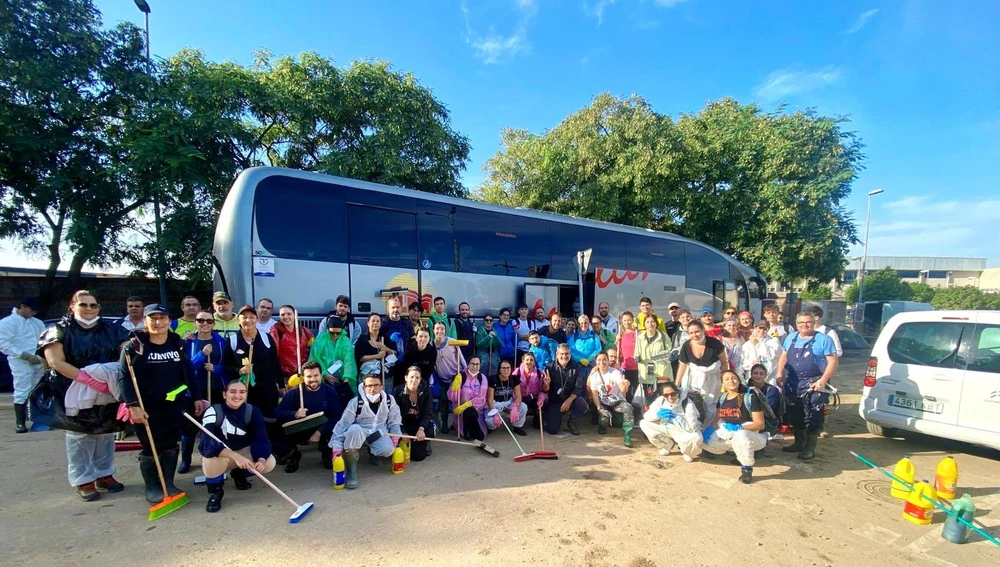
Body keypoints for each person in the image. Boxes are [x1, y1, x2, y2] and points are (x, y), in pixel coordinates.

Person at [38, 290, 130, 501]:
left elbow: (126, 349)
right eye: (84, 305)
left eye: (93, 305)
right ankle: (83, 479)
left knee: (106, 432)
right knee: (79, 435)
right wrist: (86, 379)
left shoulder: (111, 329)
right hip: (71, 388)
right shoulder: (58, 330)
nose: (89, 309)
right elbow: (55, 361)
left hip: (108, 388)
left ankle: (104, 474)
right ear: (72, 306)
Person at [119, 304, 206, 504]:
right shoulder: (134, 346)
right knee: (151, 446)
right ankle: (152, 487)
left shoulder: (177, 343)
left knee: (170, 444)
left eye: (162, 318)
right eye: (153, 318)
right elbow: (124, 378)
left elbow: (188, 372)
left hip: (174, 405)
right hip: (146, 407)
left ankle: (168, 483)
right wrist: (133, 406)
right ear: (145, 321)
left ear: (169, 320)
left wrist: (196, 397)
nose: (158, 323)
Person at [199, 377, 276, 512]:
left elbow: (261, 437)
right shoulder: (212, 411)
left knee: (269, 462)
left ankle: (239, 474)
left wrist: (261, 459)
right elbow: (205, 444)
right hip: (222, 455)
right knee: (210, 461)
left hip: (244, 452)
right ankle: (215, 492)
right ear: (224, 394)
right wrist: (234, 456)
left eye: (242, 392)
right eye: (233, 392)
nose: (237, 396)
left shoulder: (252, 411)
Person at [329, 362, 403, 489]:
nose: (372, 389)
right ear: (363, 387)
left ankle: (374, 453)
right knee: (354, 429)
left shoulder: (390, 400)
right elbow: (342, 425)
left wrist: (395, 439)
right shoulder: (355, 403)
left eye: (376, 385)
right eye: (369, 386)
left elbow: (394, 421)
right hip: (359, 433)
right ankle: (352, 471)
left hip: (378, 433)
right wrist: (336, 446)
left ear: (382, 386)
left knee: (387, 449)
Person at [775, 312, 838, 462]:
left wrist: (822, 380)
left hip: (814, 383)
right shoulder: (791, 337)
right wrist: (779, 374)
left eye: (808, 322)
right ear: (797, 324)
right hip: (793, 382)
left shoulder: (824, 339)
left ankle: (810, 447)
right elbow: (784, 356)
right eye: (801, 322)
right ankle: (798, 442)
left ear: (814, 322)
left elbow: (833, 361)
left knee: (813, 415)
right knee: (795, 414)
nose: (805, 325)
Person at [179, 311, 226, 473]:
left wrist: (216, 368)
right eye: (200, 320)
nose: (204, 324)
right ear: (195, 323)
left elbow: (228, 366)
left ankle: (217, 456)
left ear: (213, 323)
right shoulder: (187, 342)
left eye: (208, 321)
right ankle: (186, 459)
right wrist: (202, 355)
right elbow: (185, 368)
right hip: (195, 392)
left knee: (217, 424)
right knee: (190, 426)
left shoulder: (221, 342)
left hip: (216, 389)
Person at [274, 361, 341, 472]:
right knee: (278, 426)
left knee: (336, 426)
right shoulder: (294, 393)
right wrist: (294, 414)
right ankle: (292, 455)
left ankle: (327, 454)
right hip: (299, 427)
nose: (313, 379)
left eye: (316, 375)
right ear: (303, 378)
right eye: (309, 376)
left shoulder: (329, 391)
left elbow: (336, 415)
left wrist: (319, 432)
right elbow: (277, 412)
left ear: (321, 375)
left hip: (322, 428)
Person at [702, 370, 767, 484]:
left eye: (733, 378)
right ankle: (734, 451)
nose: (731, 381)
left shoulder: (749, 398)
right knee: (702, 441)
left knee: (740, 436)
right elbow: (717, 419)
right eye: (726, 379)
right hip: (728, 433)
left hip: (750, 435)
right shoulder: (722, 399)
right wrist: (710, 431)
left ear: (738, 380)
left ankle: (746, 469)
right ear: (723, 384)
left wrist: (740, 428)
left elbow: (759, 424)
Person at [223, 305, 281, 424]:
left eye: (252, 317)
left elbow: (275, 362)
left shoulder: (266, 338)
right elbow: (226, 366)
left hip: (267, 390)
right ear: (238, 320)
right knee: (247, 421)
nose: (248, 320)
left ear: (256, 319)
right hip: (245, 391)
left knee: (269, 421)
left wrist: (281, 385)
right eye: (244, 317)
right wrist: (240, 370)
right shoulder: (233, 340)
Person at [0, 297, 45, 433]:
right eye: (32, 310)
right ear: (23, 307)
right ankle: (20, 422)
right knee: (22, 389)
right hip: (19, 361)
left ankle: (39, 419)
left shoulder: (37, 323)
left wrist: (42, 356)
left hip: (38, 359)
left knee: (38, 388)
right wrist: (23, 355)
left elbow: (44, 339)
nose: (34, 313)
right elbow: (3, 343)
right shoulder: (7, 323)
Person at [676, 320, 728, 425]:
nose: (695, 335)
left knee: (711, 405)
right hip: (693, 378)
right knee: (694, 403)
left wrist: (725, 380)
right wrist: (676, 385)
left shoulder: (715, 343)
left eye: (697, 331)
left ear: (703, 330)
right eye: (691, 333)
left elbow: (724, 362)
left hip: (713, 378)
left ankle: (710, 429)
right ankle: (696, 428)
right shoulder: (686, 346)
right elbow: (682, 366)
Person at [307, 316, 358, 417]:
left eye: (338, 333)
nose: (335, 335)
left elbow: (349, 361)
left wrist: (347, 379)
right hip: (323, 377)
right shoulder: (320, 339)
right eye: (332, 333)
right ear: (327, 330)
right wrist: (324, 374)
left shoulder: (346, 341)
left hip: (341, 379)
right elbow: (315, 357)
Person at [639, 381, 703, 461]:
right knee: (644, 423)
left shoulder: (687, 403)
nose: (670, 397)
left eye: (673, 394)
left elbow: (692, 427)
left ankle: (687, 452)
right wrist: (657, 414)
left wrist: (677, 419)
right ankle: (667, 445)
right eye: (666, 395)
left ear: (677, 392)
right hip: (666, 427)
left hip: (683, 430)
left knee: (695, 438)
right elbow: (646, 416)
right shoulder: (661, 400)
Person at [588, 352, 634, 447]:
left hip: (618, 402)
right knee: (604, 420)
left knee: (628, 408)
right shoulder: (594, 376)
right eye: (599, 360)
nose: (602, 362)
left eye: (604, 359)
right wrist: (598, 407)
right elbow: (595, 394)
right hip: (604, 403)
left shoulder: (615, 372)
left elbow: (622, 389)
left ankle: (627, 435)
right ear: (596, 362)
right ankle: (602, 425)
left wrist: (625, 385)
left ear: (608, 360)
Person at [542, 345, 588, 435]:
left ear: (570, 354)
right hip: (555, 400)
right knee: (552, 430)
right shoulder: (549, 368)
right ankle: (551, 415)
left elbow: (578, 388)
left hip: (570, 398)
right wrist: (546, 384)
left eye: (567, 353)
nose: (564, 356)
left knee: (582, 404)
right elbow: (545, 390)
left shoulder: (577, 367)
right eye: (561, 354)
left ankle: (572, 420)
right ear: (557, 354)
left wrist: (569, 400)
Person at [431, 320, 467, 434]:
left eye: (442, 329)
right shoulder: (431, 345)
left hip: (456, 376)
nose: (439, 331)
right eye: (437, 329)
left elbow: (461, 358)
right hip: (442, 378)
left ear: (445, 330)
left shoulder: (452, 342)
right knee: (443, 401)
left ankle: (458, 424)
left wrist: (465, 372)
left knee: (458, 401)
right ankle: (444, 424)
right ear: (433, 331)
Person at [394, 365, 434, 461]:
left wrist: (421, 429)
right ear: (406, 378)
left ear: (420, 379)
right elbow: (395, 415)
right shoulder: (397, 391)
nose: (414, 380)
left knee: (419, 456)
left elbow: (427, 412)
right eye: (411, 377)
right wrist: (402, 431)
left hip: (419, 424)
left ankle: (425, 441)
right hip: (405, 423)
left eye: (417, 377)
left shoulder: (426, 391)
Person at [634, 313, 672, 410]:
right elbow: (636, 352)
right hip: (646, 374)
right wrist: (637, 357)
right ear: (644, 324)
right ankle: (652, 419)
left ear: (656, 324)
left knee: (663, 398)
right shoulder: (640, 337)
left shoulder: (664, 336)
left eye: (652, 322)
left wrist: (657, 357)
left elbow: (669, 352)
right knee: (649, 399)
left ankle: (663, 419)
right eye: (647, 322)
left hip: (662, 373)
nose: (650, 324)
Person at [270, 305, 314, 385]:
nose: (286, 317)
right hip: (284, 377)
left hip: (302, 374)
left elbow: (313, 351)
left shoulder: (304, 331)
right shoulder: (276, 331)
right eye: (282, 315)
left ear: (294, 315)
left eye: (289, 314)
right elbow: (272, 354)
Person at [449, 356, 490, 440]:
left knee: (481, 436)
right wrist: (454, 387)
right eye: (472, 364)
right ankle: (466, 431)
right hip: (461, 410)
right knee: (469, 412)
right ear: (467, 364)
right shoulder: (461, 376)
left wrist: (468, 404)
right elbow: (453, 398)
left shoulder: (482, 378)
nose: (475, 366)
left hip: (477, 409)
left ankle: (474, 430)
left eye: (477, 364)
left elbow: (481, 397)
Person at [354, 313, 397, 390]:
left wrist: (386, 348)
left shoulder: (385, 338)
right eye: (373, 321)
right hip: (367, 375)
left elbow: (395, 353)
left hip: (385, 375)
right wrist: (377, 356)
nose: (375, 323)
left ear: (380, 324)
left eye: (378, 321)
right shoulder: (362, 339)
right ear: (368, 323)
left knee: (385, 397)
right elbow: (359, 357)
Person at [487, 360, 528, 436]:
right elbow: (489, 399)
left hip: (509, 403)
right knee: (490, 421)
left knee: (523, 407)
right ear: (499, 369)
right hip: (496, 405)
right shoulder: (493, 379)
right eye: (503, 368)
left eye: (508, 368)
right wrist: (494, 413)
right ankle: (490, 428)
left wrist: (515, 407)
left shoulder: (514, 379)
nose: (506, 370)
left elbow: (518, 396)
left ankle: (517, 427)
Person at [740, 320, 781, 384]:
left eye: (764, 329)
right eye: (760, 328)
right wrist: (751, 364)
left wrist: (758, 343)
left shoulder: (774, 342)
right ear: (755, 328)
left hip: (769, 379)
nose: (762, 331)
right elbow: (742, 361)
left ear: (768, 330)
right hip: (751, 378)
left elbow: (772, 356)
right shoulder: (747, 344)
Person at [514, 351, 545, 429]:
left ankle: (537, 419)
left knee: (543, 404)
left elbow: (542, 390)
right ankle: (517, 425)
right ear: (523, 361)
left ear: (534, 362)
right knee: (521, 406)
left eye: (531, 360)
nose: (529, 362)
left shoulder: (539, 373)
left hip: (533, 397)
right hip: (520, 397)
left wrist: (541, 399)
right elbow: (512, 388)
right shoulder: (517, 372)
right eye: (527, 360)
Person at [615, 311, 639, 403]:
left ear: (632, 320)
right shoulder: (621, 335)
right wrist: (616, 341)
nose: (627, 322)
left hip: (637, 367)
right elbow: (618, 352)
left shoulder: (637, 334)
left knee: (636, 392)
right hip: (625, 368)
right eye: (624, 320)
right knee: (626, 391)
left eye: (629, 320)